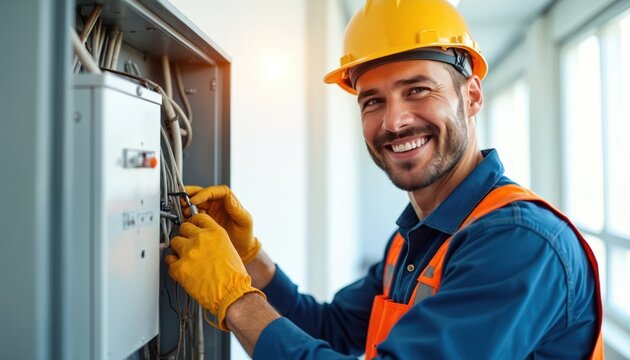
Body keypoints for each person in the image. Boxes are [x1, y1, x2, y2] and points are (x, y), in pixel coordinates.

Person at [164, 0, 604, 358]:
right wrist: (250, 261)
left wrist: (237, 303)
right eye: (372, 101)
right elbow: (332, 329)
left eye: (417, 90)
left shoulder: (519, 242)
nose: (394, 122)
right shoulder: (415, 239)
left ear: (471, 96)